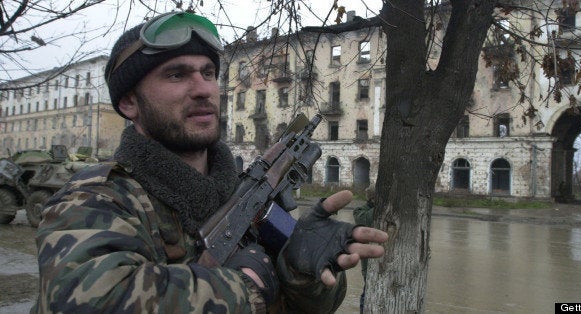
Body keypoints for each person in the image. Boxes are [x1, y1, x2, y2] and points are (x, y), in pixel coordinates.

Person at [33, 12, 387, 313]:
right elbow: (85, 301)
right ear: (128, 102)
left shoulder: (242, 191)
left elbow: (310, 305)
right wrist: (245, 286)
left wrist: (302, 274)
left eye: (208, 73)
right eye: (176, 74)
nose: (203, 89)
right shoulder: (93, 199)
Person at [353, 187, 375, 313]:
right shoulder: (359, 211)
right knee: (368, 291)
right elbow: (364, 220)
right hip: (369, 264)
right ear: (372, 199)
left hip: (383, 260)